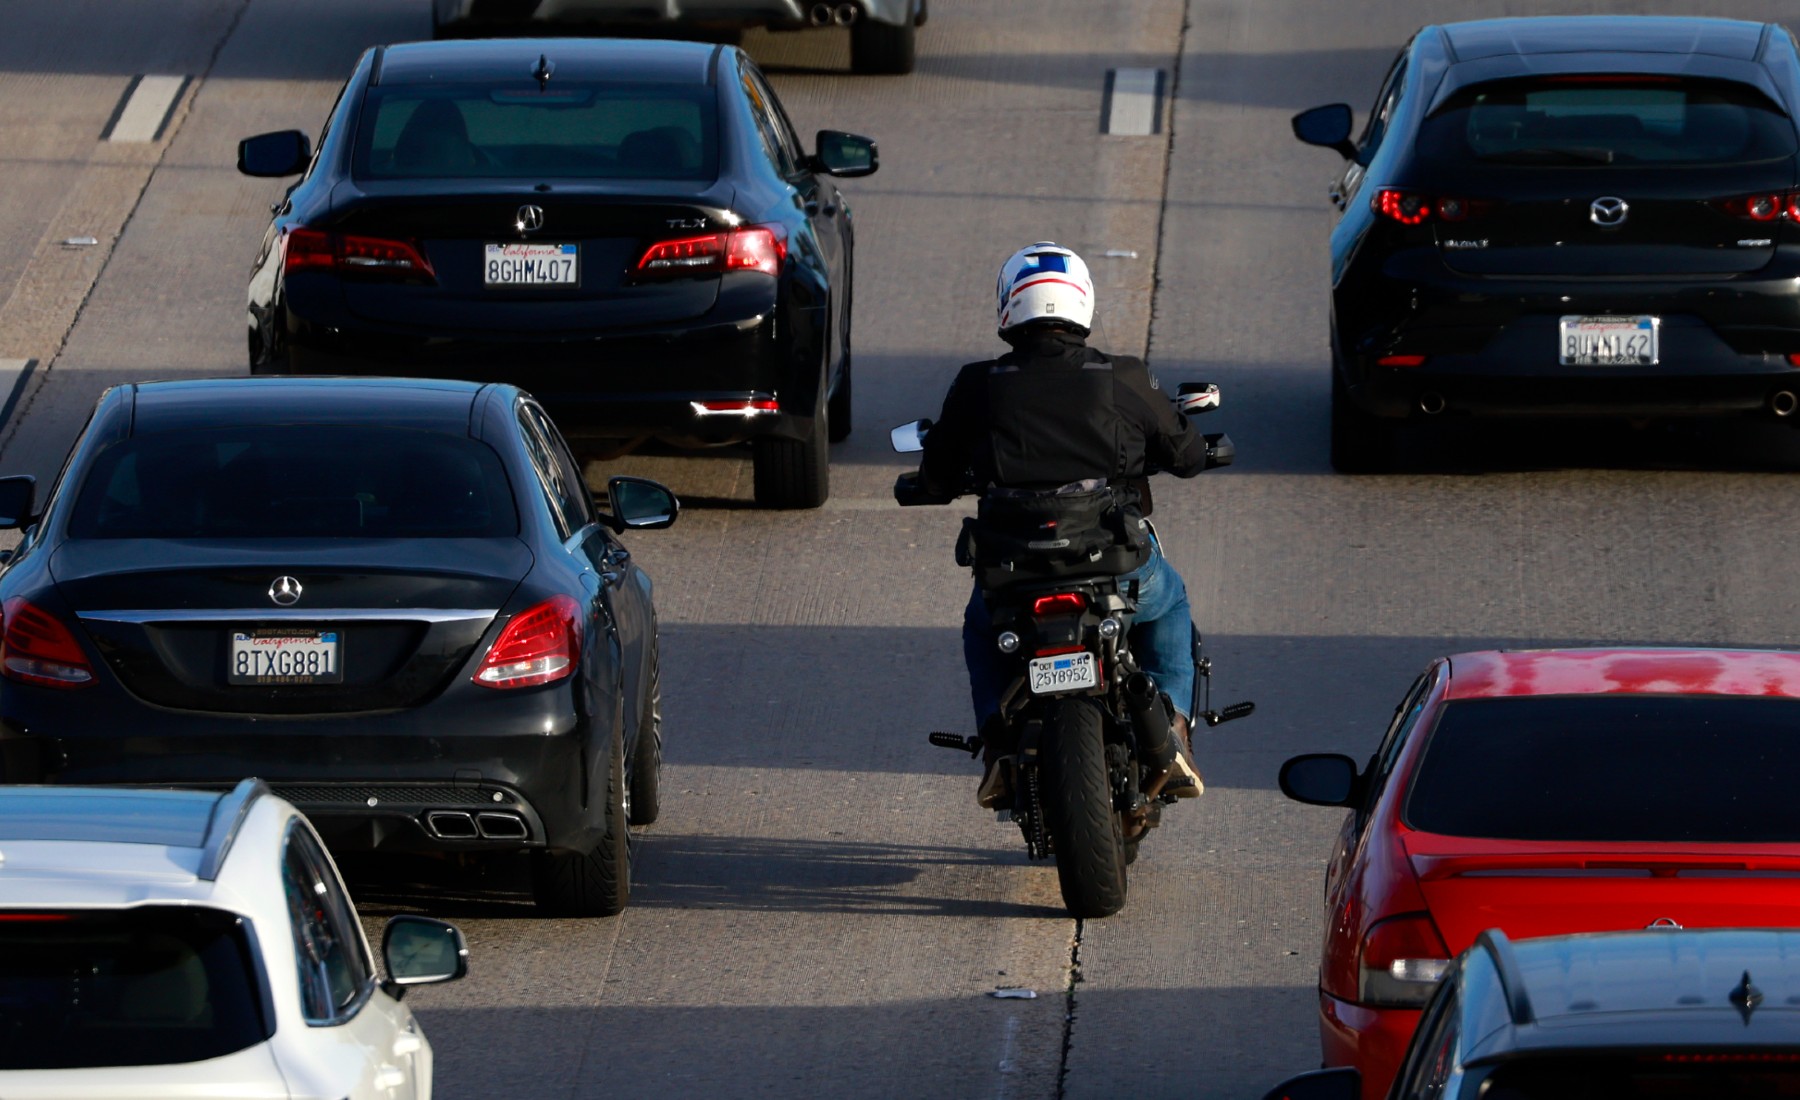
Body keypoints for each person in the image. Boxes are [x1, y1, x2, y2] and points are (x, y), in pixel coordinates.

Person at [908, 242, 1211, 807]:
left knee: (980, 629)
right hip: (1112, 565)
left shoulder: (977, 384)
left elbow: (935, 474)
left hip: (1013, 573)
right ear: (1082, 303)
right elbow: (1187, 454)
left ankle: (998, 744)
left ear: (1008, 307)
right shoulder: (1121, 376)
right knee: (1170, 602)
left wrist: (928, 485)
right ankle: (1172, 728)